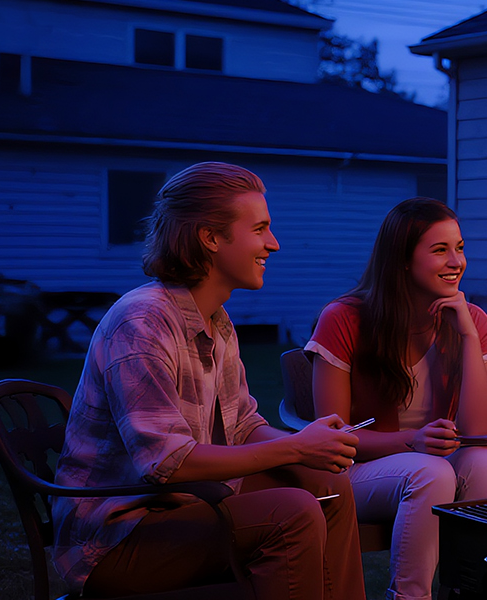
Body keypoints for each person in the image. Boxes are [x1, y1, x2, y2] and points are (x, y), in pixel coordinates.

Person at [53, 162, 366, 600]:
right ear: (211, 237)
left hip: (184, 507)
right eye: (259, 229)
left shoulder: (216, 323)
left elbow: (242, 425)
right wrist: (296, 446)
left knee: (327, 486)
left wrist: (313, 446)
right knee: (289, 511)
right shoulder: (142, 323)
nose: (273, 244)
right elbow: (168, 463)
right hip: (116, 538)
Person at [307, 197, 487, 600]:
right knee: (430, 472)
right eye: (440, 250)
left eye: (460, 247)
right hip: (357, 471)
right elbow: (329, 439)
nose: (456, 261)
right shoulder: (346, 318)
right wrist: (412, 442)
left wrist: (469, 336)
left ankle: (476, 594)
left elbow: (479, 428)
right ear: (401, 259)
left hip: (434, 463)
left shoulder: (472, 321)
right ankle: (409, 597)